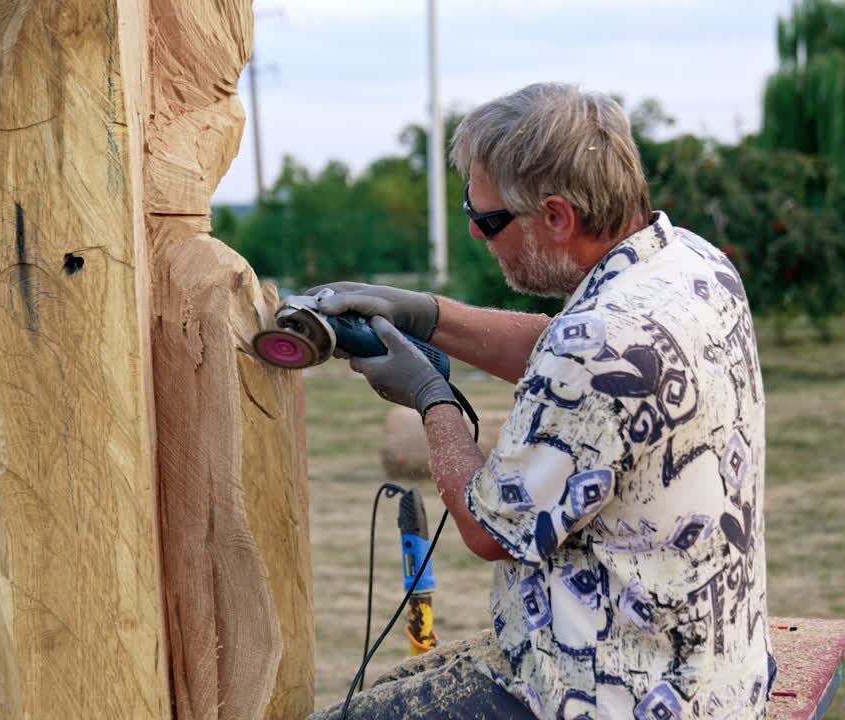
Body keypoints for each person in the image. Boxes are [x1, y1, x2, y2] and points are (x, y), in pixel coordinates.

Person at [309, 82, 773, 720]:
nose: (475, 234)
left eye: (487, 220)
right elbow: (571, 353)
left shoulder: (600, 342)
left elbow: (487, 527)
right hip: (712, 672)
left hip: (611, 693)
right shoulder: (691, 264)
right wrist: (427, 314)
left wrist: (431, 398)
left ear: (557, 216)